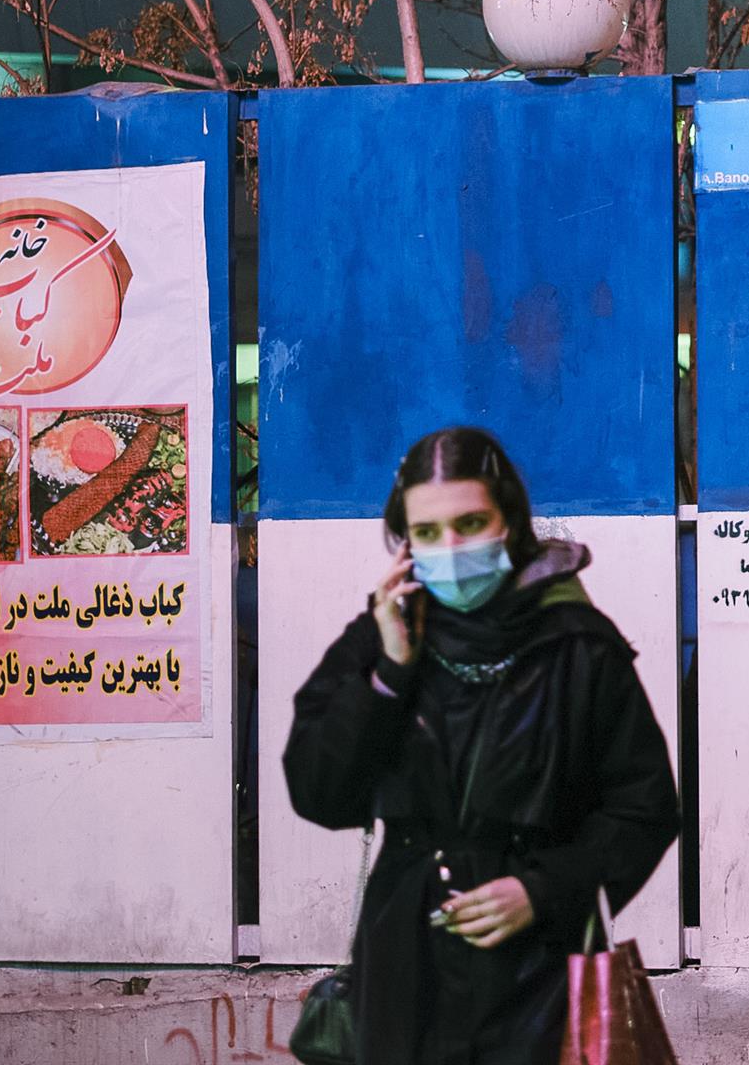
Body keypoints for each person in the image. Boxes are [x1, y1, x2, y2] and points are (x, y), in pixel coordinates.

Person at [284, 426, 680, 1065]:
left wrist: (543, 890)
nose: (452, 548)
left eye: (471, 522)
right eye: (429, 533)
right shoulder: (379, 638)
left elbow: (645, 806)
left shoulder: (578, 645)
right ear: (404, 542)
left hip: (540, 974)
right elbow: (319, 793)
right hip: (403, 966)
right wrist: (388, 674)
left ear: (511, 522)